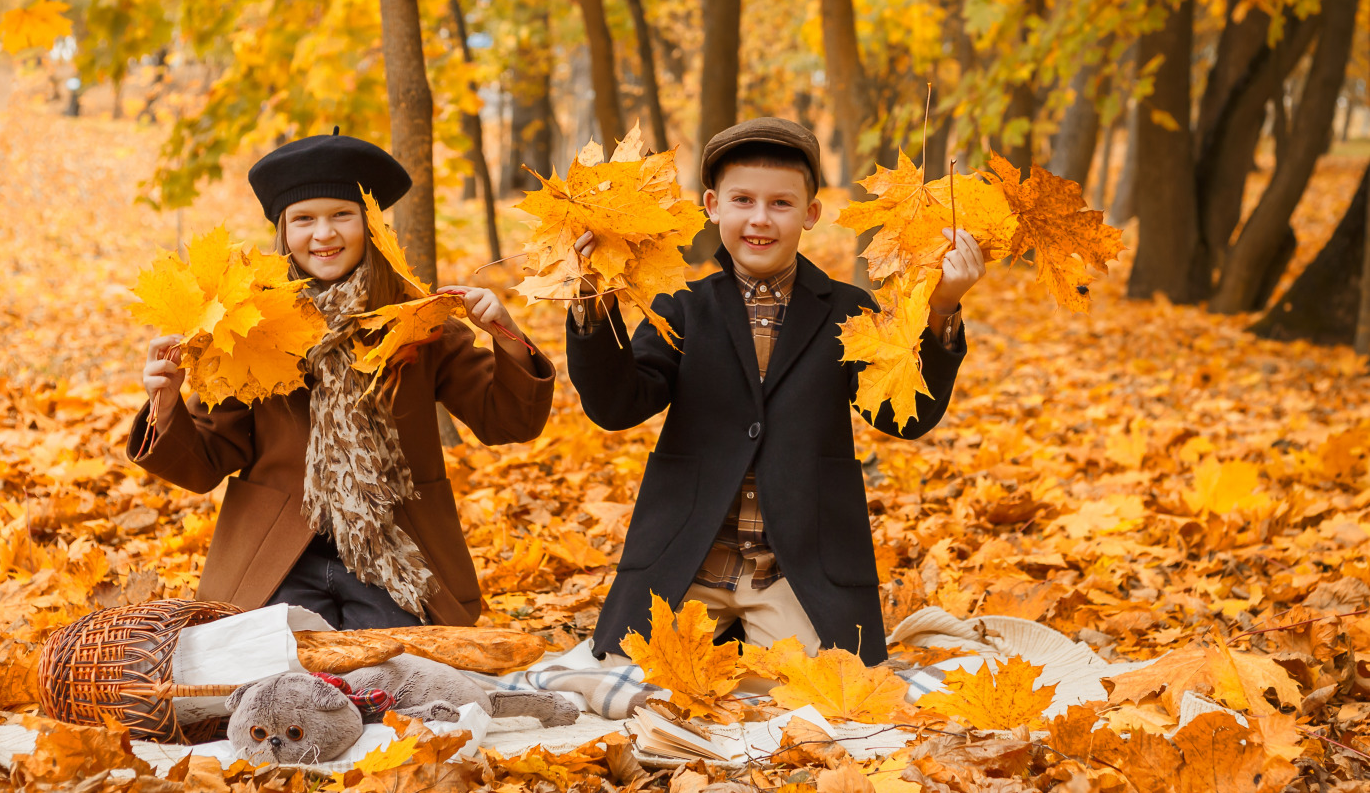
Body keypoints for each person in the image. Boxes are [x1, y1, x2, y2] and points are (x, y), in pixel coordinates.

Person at [567, 117, 984, 663]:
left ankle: (750, 644)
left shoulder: (846, 308)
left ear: (810, 214)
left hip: (795, 572)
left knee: (826, 700)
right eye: (743, 200)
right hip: (687, 565)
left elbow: (902, 416)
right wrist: (594, 308)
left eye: (781, 204)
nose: (760, 219)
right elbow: (617, 406)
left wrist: (943, 309)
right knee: (622, 686)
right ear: (714, 205)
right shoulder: (681, 304)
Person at [131, 131, 555, 628]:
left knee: (399, 677)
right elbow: (205, 464)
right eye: (304, 219)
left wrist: (506, 339)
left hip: (395, 548)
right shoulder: (247, 327)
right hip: (276, 553)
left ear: (370, 225)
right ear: (283, 232)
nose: (323, 235)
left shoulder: (417, 321)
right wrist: (165, 402)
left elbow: (508, 422)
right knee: (277, 673)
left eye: (341, 215)